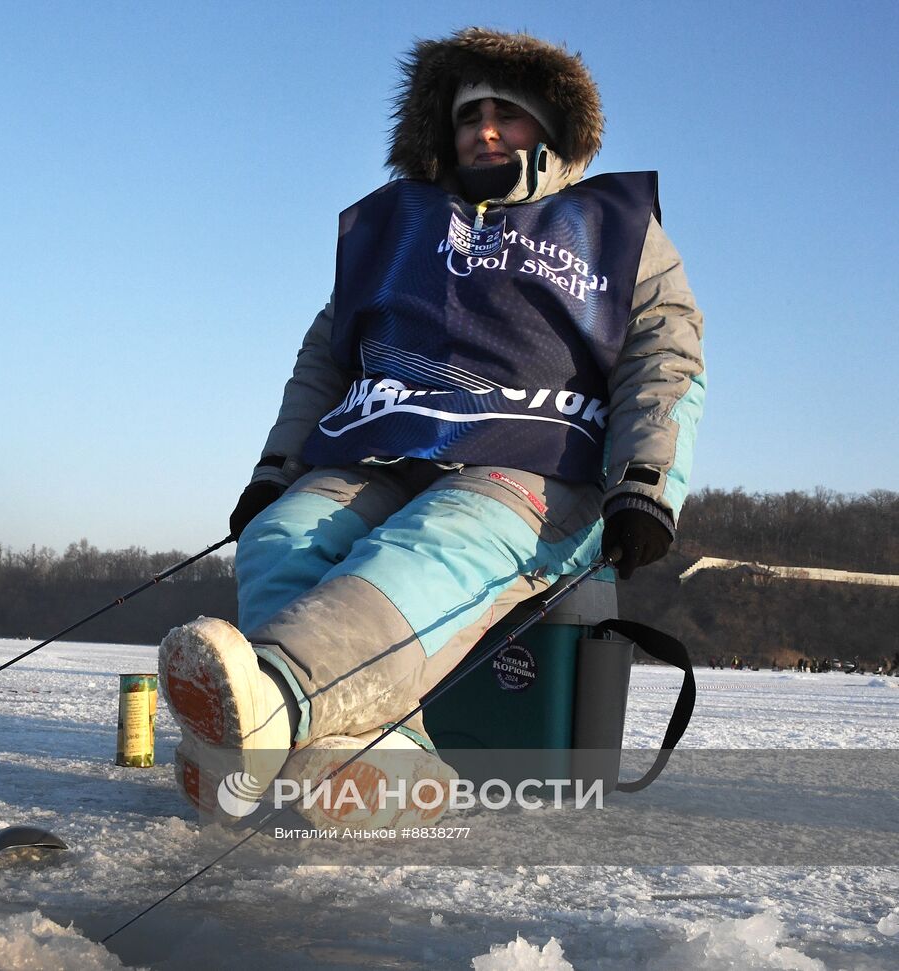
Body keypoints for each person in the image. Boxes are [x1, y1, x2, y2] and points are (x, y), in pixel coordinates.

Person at [160, 28, 706, 820]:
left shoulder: (616, 231)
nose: (484, 129)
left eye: (506, 115)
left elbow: (668, 356)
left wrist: (647, 482)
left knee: (426, 552)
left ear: (548, 129)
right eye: (467, 115)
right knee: (283, 535)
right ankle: (389, 760)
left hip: (538, 465)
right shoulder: (403, 233)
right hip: (386, 445)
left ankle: (278, 696)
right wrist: (275, 470)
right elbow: (325, 357)